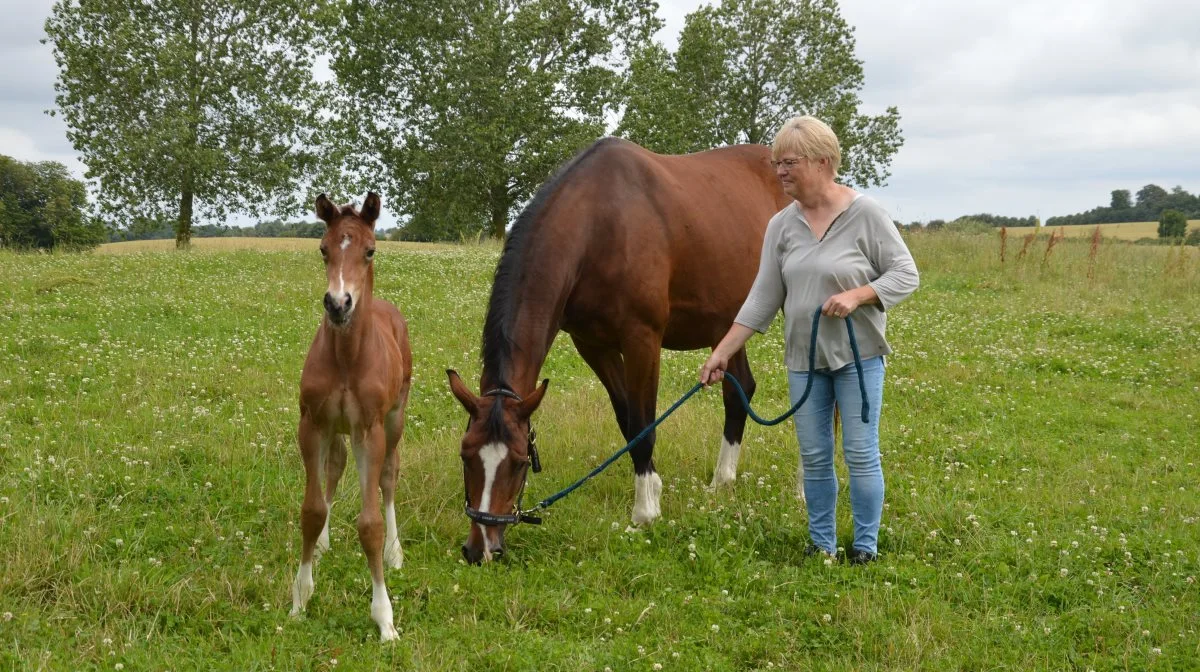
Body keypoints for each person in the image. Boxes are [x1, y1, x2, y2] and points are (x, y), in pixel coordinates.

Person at [699, 115, 919, 564]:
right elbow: (763, 296)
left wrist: (859, 295)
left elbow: (905, 274)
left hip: (859, 357)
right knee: (815, 456)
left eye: (789, 162)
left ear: (823, 162)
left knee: (860, 453)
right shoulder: (781, 225)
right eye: (777, 162)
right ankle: (822, 545)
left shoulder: (867, 214)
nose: (779, 170)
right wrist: (723, 351)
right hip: (804, 360)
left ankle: (865, 547)